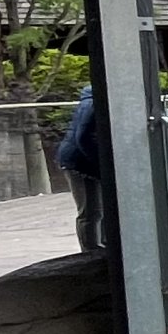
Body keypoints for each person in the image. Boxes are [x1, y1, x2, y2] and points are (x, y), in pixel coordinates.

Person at [54, 84, 108, 253]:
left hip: (80, 159)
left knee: (95, 210)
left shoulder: (93, 102)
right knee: (91, 211)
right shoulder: (94, 104)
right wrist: (100, 164)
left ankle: (97, 249)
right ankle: (90, 253)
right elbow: (83, 137)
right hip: (79, 162)